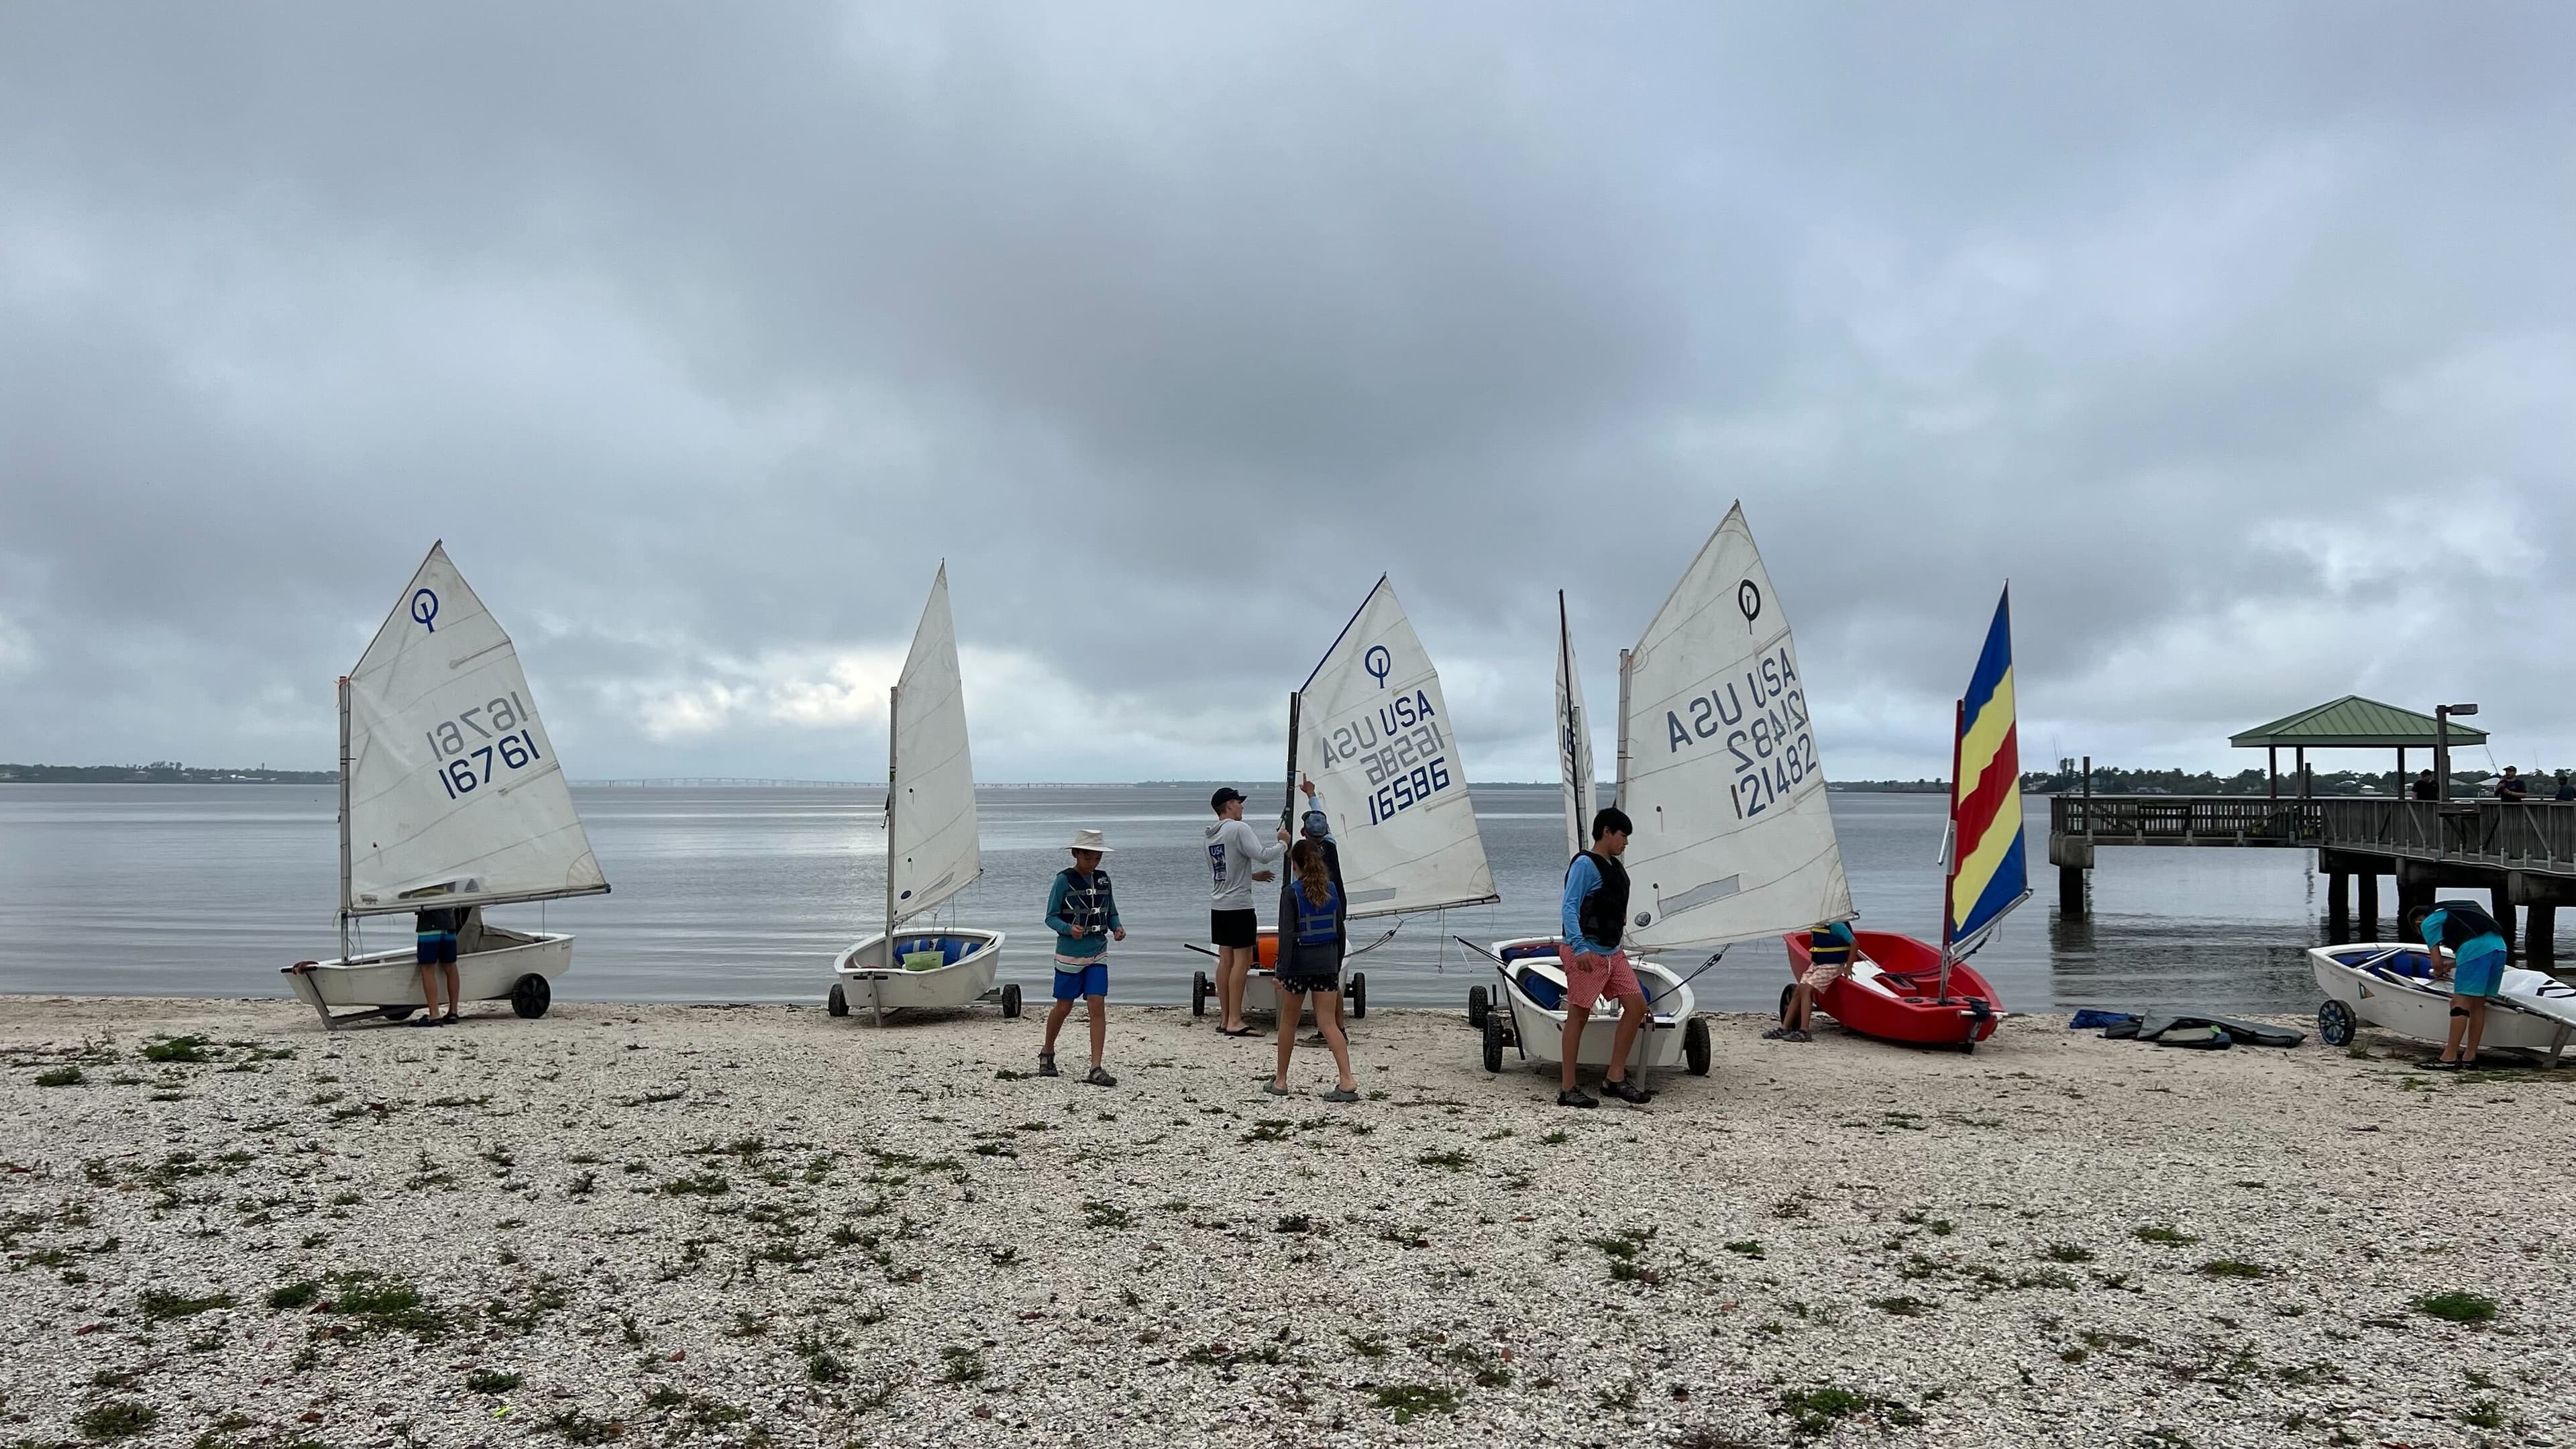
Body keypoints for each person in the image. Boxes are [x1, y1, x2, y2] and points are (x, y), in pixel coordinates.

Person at [1556, 806, 1650, 1108]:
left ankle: (1614, 1078)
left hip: (1612, 953)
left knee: (1636, 1008)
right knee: (1579, 1015)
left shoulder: (1616, 868)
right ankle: (1568, 1088)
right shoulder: (1585, 864)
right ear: (1607, 832)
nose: (1626, 843)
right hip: (1586, 951)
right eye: (1623, 836)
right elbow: (1569, 906)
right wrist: (1579, 947)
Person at [1267, 838, 1360, 1102]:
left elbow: (1286, 937)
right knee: (1328, 1023)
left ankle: (1281, 1081)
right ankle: (1347, 1080)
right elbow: (1340, 931)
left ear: (1294, 864)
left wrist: (1281, 973)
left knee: (1288, 1021)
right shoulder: (1331, 889)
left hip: (1298, 967)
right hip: (1327, 963)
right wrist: (1336, 962)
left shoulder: (1291, 893)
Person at [1039, 829, 1124, 1086]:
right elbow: (1050, 916)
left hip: (1098, 952)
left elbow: (1111, 911)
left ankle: (1096, 1067)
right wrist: (1069, 929)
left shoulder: (1103, 880)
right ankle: (1047, 1051)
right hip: (1069, 956)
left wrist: (1117, 927)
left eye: (1097, 857)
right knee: (1063, 1007)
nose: (1093, 861)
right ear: (1076, 854)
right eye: (1088, 856)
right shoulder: (1063, 881)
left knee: (1097, 1004)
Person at [1205, 788, 1289, 1036]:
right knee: (1241, 961)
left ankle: (1224, 1017)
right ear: (1229, 805)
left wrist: (1251, 877)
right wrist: (1284, 843)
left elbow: (1223, 871)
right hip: (1239, 905)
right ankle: (1235, 1020)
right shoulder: (1239, 829)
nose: (1242, 807)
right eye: (1239, 803)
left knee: (1225, 960)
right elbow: (1263, 855)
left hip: (1219, 904)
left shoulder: (1210, 835)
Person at [2408, 899, 2510, 1070]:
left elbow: (2437, 963)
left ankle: (2449, 1058)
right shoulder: (2451, 912)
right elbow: (2478, 939)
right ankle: (2470, 1057)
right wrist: (2454, 964)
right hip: (2500, 948)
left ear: (2419, 921)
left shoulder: (2428, 923)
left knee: (2459, 1004)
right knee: (2478, 1005)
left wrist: (2439, 971)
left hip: (2475, 950)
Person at [1768, 920, 1857, 1042]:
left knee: (1807, 990)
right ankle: (1785, 1028)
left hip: (1833, 965)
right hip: (1817, 964)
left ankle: (1804, 1031)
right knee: (1799, 989)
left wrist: (1849, 967)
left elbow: (1854, 943)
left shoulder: (1836, 925)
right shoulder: (1818, 924)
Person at [413, 903, 464, 1027]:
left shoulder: (423, 883)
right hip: (449, 923)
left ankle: (434, 1014)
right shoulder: (446, 884)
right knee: (451, 966)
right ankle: (453, 1011)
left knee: (427, 968)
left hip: (429, 925)